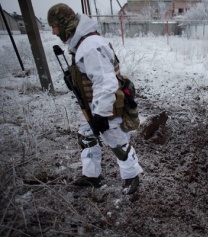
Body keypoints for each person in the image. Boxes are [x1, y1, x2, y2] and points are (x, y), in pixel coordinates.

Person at [47, 3, 143, 194]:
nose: (53, 31)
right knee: (87, 135)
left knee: (117, 142)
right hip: (97, 103)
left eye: (54, 26)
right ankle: (92, 176)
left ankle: (132, 178)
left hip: (106, 104)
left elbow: (105, 82)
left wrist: (101, 114)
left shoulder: (90, 46)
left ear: (63, 23)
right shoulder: (82, 42)